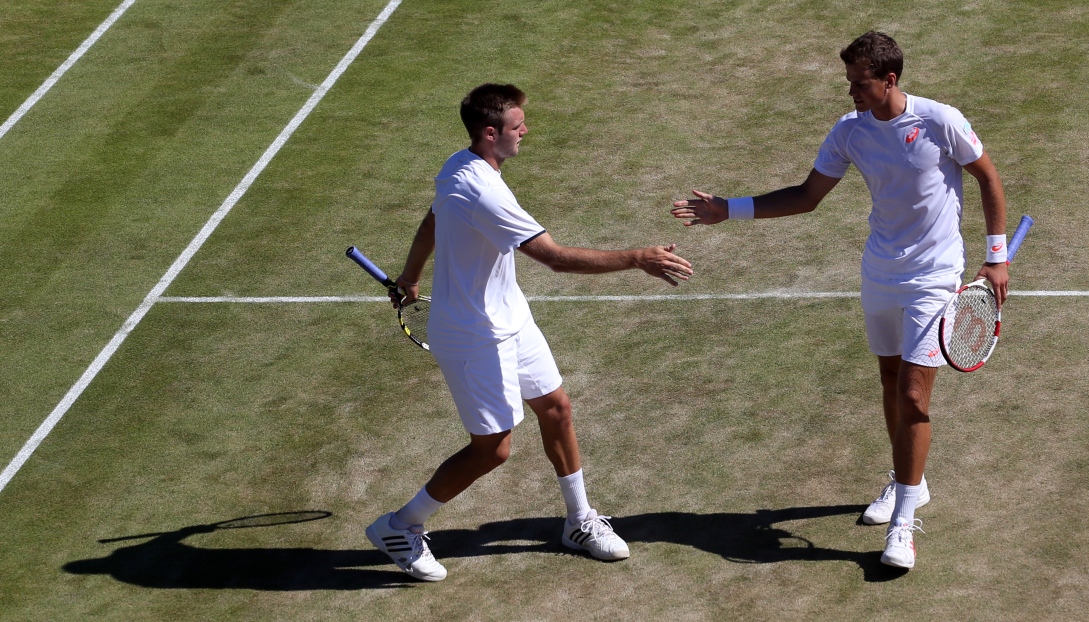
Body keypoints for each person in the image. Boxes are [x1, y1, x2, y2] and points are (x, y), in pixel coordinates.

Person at [671, 31, 1008, 570]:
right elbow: (807, 197)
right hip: (879, 273)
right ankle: (908, 483)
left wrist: (997, 257)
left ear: (889, 80)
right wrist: (727, 209)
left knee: (915, 399)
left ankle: (903, 524)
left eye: (859, 82)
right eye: (849, 81)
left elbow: (988, 176)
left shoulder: (939, 120)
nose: (850, 91)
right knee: (890, 382)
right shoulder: (850, 132)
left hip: (935, 277)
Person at [366, 83, 694, 582]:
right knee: (492, 449)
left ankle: (580, 522)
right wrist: (637, 258)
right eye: (519, 126)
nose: (527, 131)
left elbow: (434, 218)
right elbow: (555, 259)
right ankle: (400, 525)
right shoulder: (485, 191)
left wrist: (411, 276)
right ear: (491, 133)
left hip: (510, 317)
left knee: (556, 409)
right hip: (474, 335)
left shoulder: (458, 166)